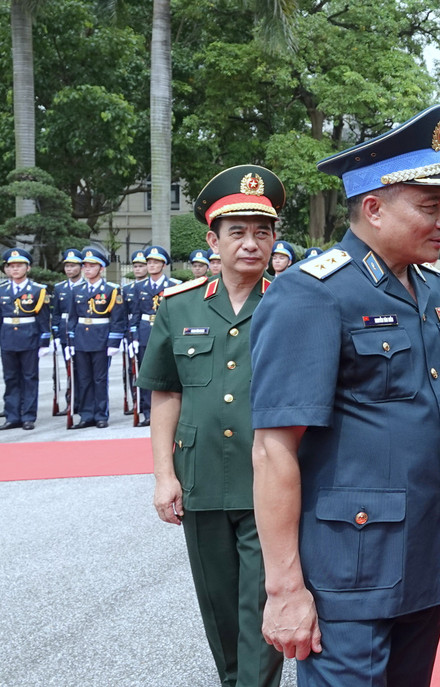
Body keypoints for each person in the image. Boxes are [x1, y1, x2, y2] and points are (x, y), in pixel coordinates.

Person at [250, 105, 440, 686]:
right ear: (374, 209)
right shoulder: (312, 293)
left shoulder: (431, 289)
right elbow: (273, 447)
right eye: (430, 208)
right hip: (349, 572)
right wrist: (284, 588)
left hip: (423, 556)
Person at [139, 165, 289, 687]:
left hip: (269, 483)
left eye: (262, 232)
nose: (251, 244)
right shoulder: (178, 308)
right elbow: (167, 393)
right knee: (221, 612)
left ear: (274, 239)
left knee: (260, 609)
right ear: (213, 240)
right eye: (237, 232)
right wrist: (164, 475)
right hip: (201, 480)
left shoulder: (293, 304)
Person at [66, 246, 129, 429]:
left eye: (92, 266)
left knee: (100, 379)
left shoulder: (111, 290)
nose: (87, 269)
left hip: (101, 338)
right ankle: (86, 415)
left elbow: (118, 318)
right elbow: (72, 317)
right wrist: (70, 341)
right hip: (81, 339)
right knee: (83, 379)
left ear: (101, 269)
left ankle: (101, 414)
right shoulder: (77, 289)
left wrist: (114, 341)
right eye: (85, 266)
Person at [1, 248, 51, 430]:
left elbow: (43, 319)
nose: (15, 269)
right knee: (11, 378)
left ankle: (28, 416)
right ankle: (12, 415)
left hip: (29, 337)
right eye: (11, 266)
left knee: (29, 377)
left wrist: (45, 341)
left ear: (28, 268)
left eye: (19, 266)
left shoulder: (37, 290)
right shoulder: (2, 290)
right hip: (8, 338)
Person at [129, 245, 179, 427]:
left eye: (155, 262)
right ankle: (147, 411)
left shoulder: (173, 286)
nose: (151, 265)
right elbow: (134, 314)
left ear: (163, 265)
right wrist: (133, 337)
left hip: (166, 332)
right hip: (144, 331)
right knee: (145, 374)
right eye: (149, 262)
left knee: (168, 372)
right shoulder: (138, 287)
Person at [49, 248, 84, 417]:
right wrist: (55, 335)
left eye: (73, 266)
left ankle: (84, 402)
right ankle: (71, 402)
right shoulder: (59, 288)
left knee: (84, 371)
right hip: (65, 332)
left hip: (83, 332)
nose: (69, 269)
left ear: (81, 267)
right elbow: (55, 314)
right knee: (70, 369)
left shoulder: (86, 286)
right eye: (67, 266)